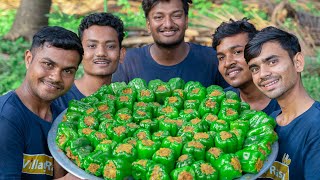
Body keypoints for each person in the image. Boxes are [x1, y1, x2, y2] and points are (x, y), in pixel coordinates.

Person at [0, 26, 83, 179]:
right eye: (48, 64)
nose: (56, 77)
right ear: (28, 59)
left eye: (67, 71)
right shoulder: (6, 118)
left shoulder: (62, 119)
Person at [244, 26, 320, 179]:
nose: (263, 74)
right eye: (254, 68)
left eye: (272, 62)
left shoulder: (316, 127)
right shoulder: (269, 121)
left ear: (298, 62)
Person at [112, 0, 228, 88]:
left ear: (186, 21)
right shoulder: (128, 63)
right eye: (158, 17)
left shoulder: (212, 59)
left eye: (176, 15)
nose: (168, 24)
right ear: (148, 25)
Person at [54, 12, 125, 110]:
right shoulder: (58, 98)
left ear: (121, 54)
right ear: (80, 52)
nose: (101, 53)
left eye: (110, 46)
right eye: (92, 46)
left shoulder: (125, 100)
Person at [212, 18, 280, 115]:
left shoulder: (284, 104)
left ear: (257, 52)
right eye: (221, 57)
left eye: (237, 52)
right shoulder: (218, 102)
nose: (227, 63)